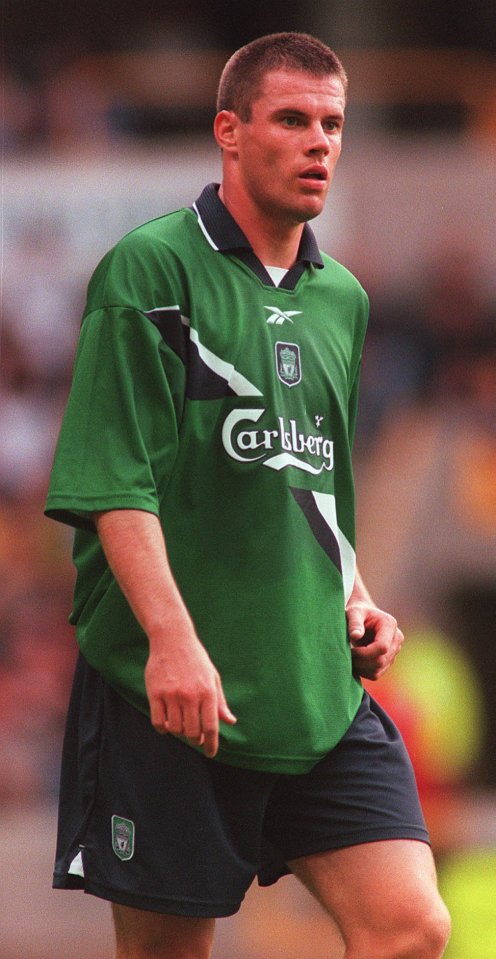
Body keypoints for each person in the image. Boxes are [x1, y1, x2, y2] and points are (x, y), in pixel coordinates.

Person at [45, 32, 451, 959]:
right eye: (293, 120)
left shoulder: (343, 297)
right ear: (229, 130)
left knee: (411, 928)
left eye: (334, 124)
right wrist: (171, 641)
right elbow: (116, 483)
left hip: (317, 692)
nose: (320, 143)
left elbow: (316, 484)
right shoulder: (149, 270)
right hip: (178, 696)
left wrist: (356, 598)